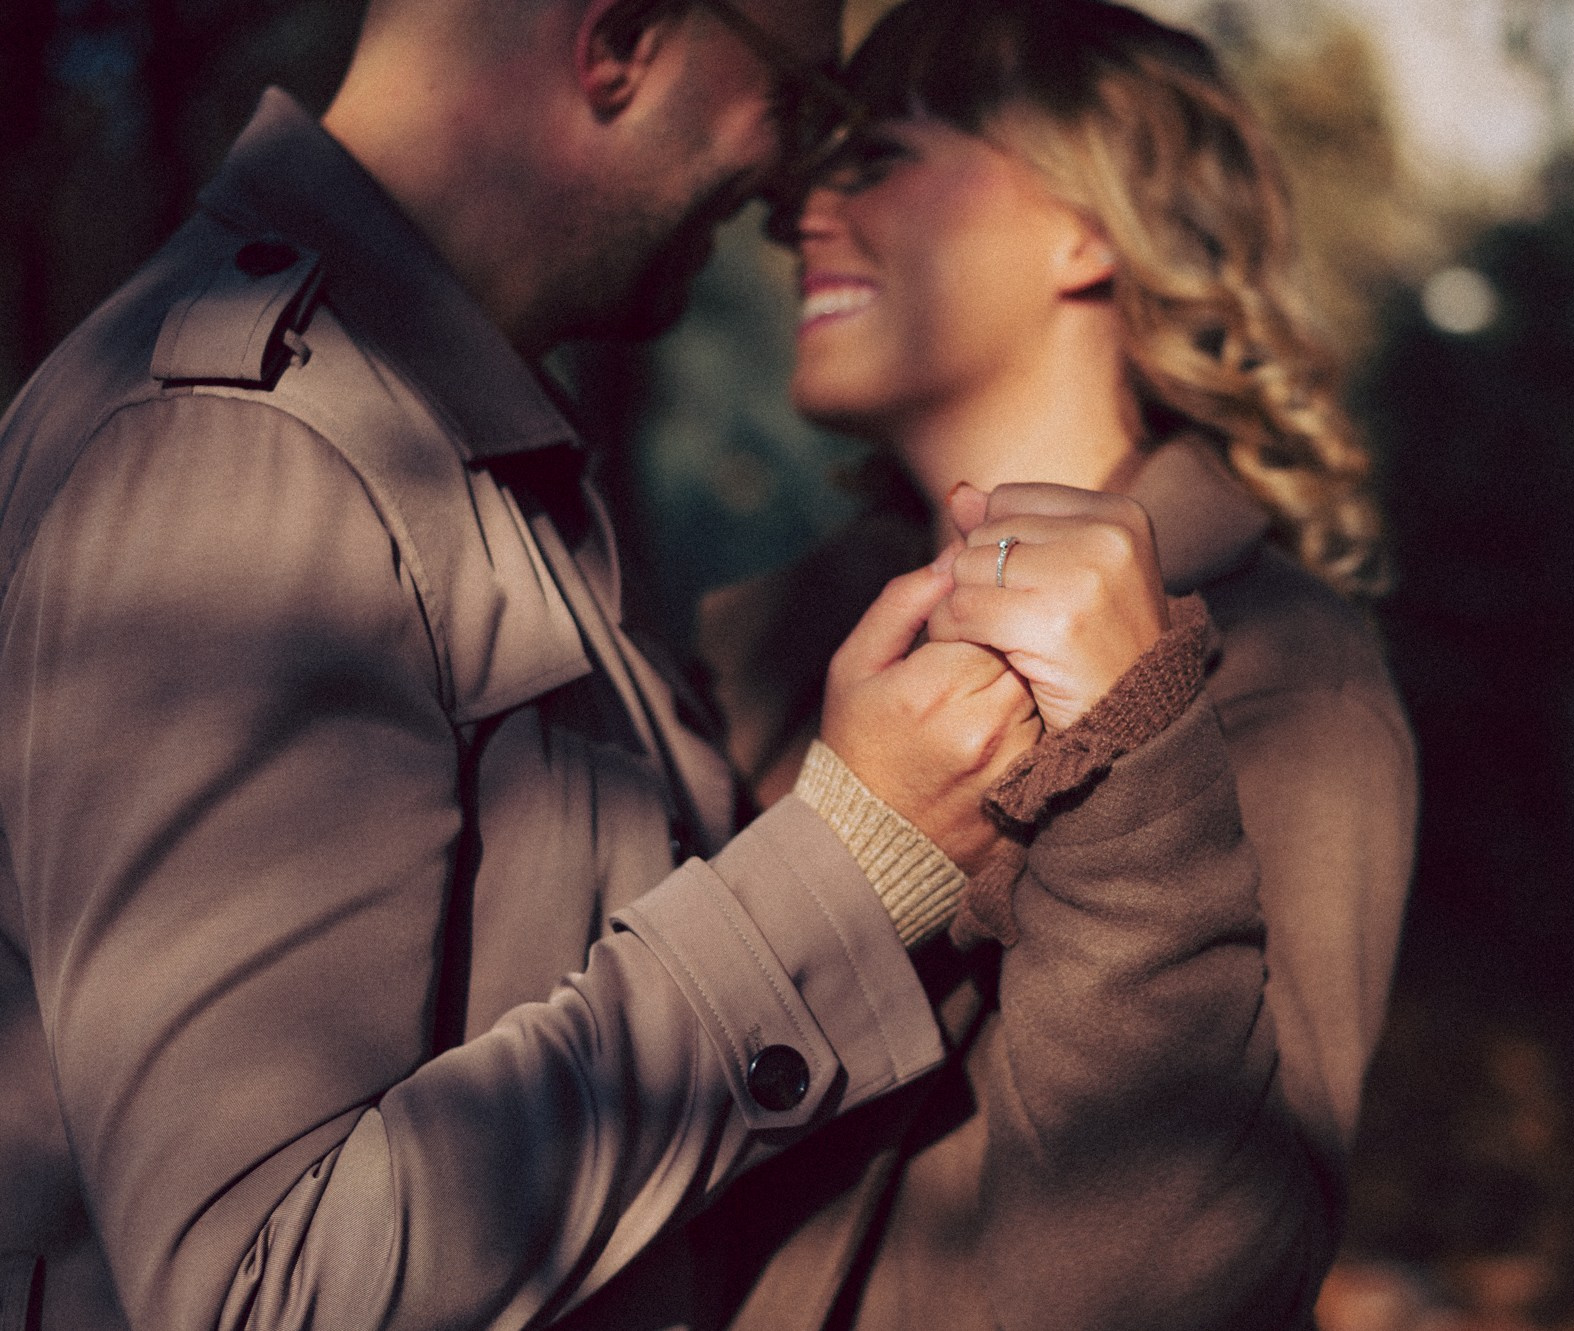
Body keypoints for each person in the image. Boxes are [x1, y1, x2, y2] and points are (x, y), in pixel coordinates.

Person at [0, 0, 1135, 1326]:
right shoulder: (244, 449)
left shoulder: (452, 448)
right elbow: (270, 1294)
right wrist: (850, 861)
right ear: (624, 43)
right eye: (801, 103)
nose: (788, 188)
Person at [691, 0, 1419, 1326]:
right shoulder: (744, 648)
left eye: (875, 160)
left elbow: (1190, 1282)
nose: (800, 217)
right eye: (809, 176)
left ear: (1092, 223)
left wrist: (1130, 760)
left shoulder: (1282, 675)